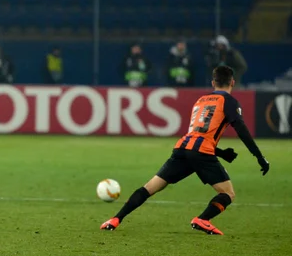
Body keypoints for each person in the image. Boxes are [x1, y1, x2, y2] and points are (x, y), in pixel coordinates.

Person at [100, 66, 270, 235]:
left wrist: (221, 153)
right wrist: (259, 156)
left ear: (213, 82)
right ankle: (203, 219)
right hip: (202, 152)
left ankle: (115, 219)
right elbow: (241, 129)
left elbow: (197, 134)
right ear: (232, 82)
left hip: (182, 148)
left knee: (150, 188)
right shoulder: (229, 101)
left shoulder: (201, 101)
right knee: (228, 193)